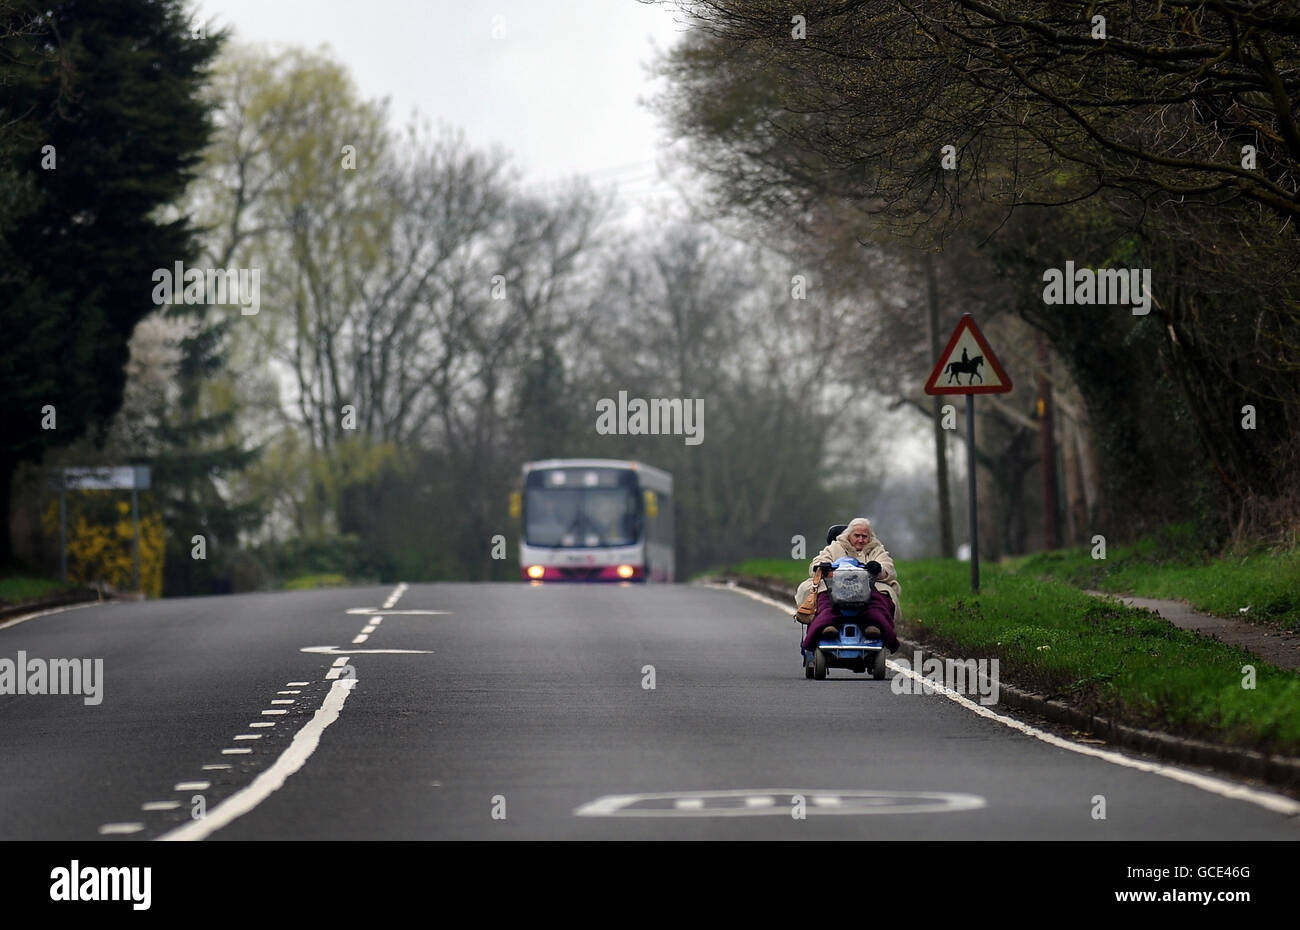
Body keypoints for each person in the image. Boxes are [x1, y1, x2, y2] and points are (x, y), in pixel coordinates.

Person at [796, 517, 900, 653]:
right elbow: (818, 562)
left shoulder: (877, 550)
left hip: (868, 589)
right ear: (848, 536)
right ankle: (827, 626)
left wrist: (878, 569)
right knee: (824, 599)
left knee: (880, 600)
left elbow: (888, 568)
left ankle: (874, 626)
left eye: (864, 536)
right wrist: (823, 566)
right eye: (857, 536)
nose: (861, 540)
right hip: (835, 587)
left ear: (870, 538)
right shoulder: (835, 547)